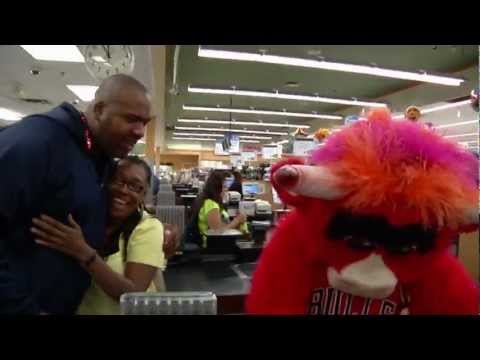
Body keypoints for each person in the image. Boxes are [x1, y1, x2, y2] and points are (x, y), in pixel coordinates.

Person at [0, 74, 152, 314]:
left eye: (145, 122)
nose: (140, 132)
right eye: (132, 119)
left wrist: (156, 228)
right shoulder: (36, 143)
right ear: (100, 110)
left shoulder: (96, 157)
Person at [31, 156, 166, 315]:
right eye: (117, 181)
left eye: (135, 187)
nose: (123, 190)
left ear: (144, 194)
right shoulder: (86, 218)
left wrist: (82, 252)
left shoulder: (147, 227)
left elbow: (132, 295)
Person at [191, 170, 247, 248]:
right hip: (213, 248)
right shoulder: (211, 205)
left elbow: (221, 226)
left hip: (217, 244)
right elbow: (217, 232)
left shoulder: (209, 201)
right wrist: (237, 221)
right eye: (224, 186)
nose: (226, 189)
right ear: (217, 187)